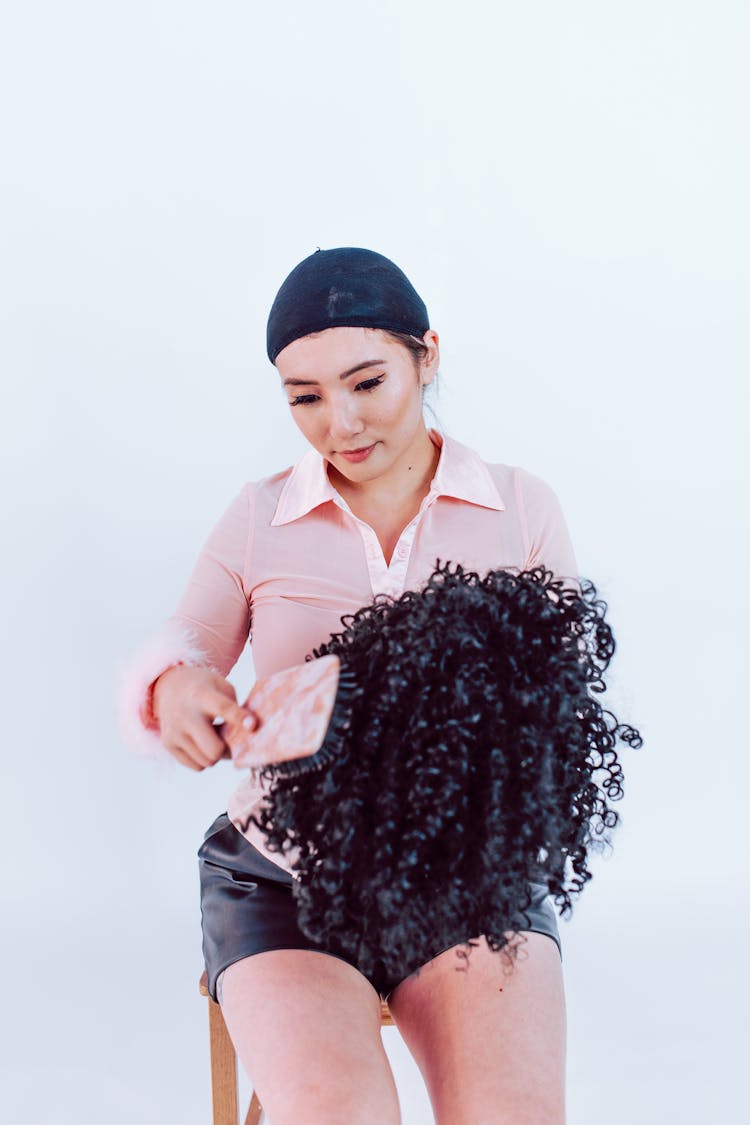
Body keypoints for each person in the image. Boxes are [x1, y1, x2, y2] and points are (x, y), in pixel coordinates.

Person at [118, 246, 578, 1124]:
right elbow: (186, 648)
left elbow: (554, 712)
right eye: (306, 398)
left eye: (368, 381)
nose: (342, 422)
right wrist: (178, 690)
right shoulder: (258, 515)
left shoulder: (522, 508)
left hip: (467, 875)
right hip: (282, 878)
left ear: (427, 356)